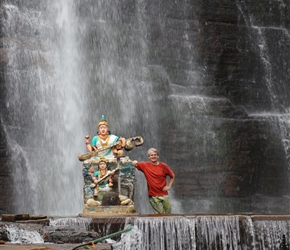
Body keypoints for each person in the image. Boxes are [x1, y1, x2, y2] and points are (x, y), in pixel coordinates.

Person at [132, 148, 175, 214]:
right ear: (149, 157)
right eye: (151, 155)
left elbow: (172, 176)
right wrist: (134, 162)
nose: (153, 156)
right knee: (160, 214)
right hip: (153, 196)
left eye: (155, 155)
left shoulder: (164, 166)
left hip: (164, 194)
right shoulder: (145, 166)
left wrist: (169, 186)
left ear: (158, 156)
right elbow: (135, 163)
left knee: (168, 214)